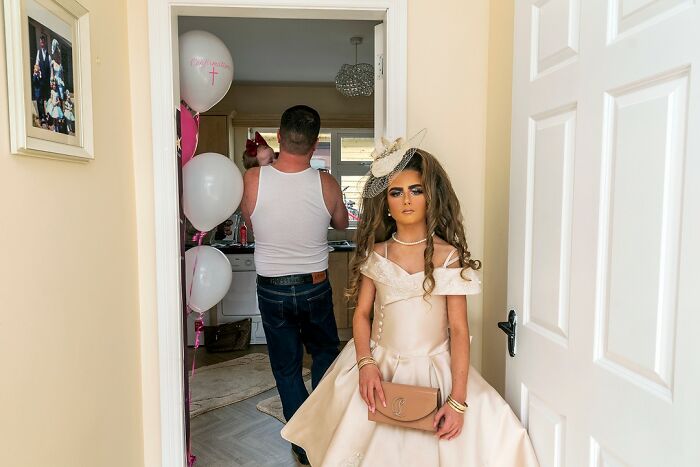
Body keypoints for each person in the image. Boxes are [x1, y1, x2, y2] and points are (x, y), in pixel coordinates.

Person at [281, 142, 539, 466]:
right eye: (396, 192)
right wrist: (366, 364)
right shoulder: (377, 254)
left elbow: (459, 330)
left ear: (430, 196)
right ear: (386, 202)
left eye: (415, 190)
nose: (406, 200)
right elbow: (362, 315)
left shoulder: (447, 257)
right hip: (379, 364)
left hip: (435, 370)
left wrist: (457, 401)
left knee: (493, 434)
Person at [241, 105, 349, 465]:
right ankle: (320, 427)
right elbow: (341, 223)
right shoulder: (327, 182)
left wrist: (263, 163)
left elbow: (253, 222)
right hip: (315, 286)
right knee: (325, 356)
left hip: (272, 288)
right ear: (315, 143)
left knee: (286, 368)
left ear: (279, 135)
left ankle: (303, 442)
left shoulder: (254, 179)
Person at [34, 34, 51, 125]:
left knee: (48, 99)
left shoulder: (48, 55)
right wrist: (36, 71)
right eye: (41, 42)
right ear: (40, 43)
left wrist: (51, 79)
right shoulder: (38, 52)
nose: (42, 43)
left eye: (43, 42)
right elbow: (37, 64)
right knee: (40, 99)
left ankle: (48, 115)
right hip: (41, 80)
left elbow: (51, 68)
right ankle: (42, 117)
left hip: (47, 80)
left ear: (45, 42)